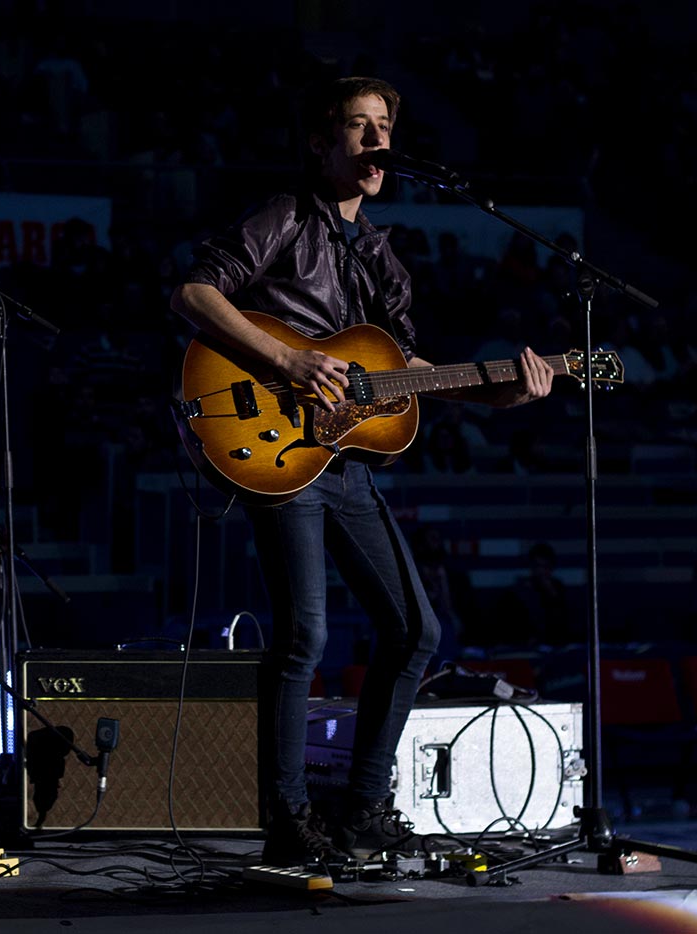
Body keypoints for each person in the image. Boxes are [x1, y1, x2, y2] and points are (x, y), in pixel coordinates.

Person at [169, 76, 554, 867]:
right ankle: (287, 818)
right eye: (359, 126)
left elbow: (406, 370)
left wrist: (500, 394)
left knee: (416, 629)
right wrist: (289, 359)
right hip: (278, 438)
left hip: (344, 459)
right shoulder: (284, 217)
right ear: (321, 142)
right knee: (304, 632)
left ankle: (363, 810)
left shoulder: (380, 255)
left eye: (384, 127)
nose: (378, 141)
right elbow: (194, 292)